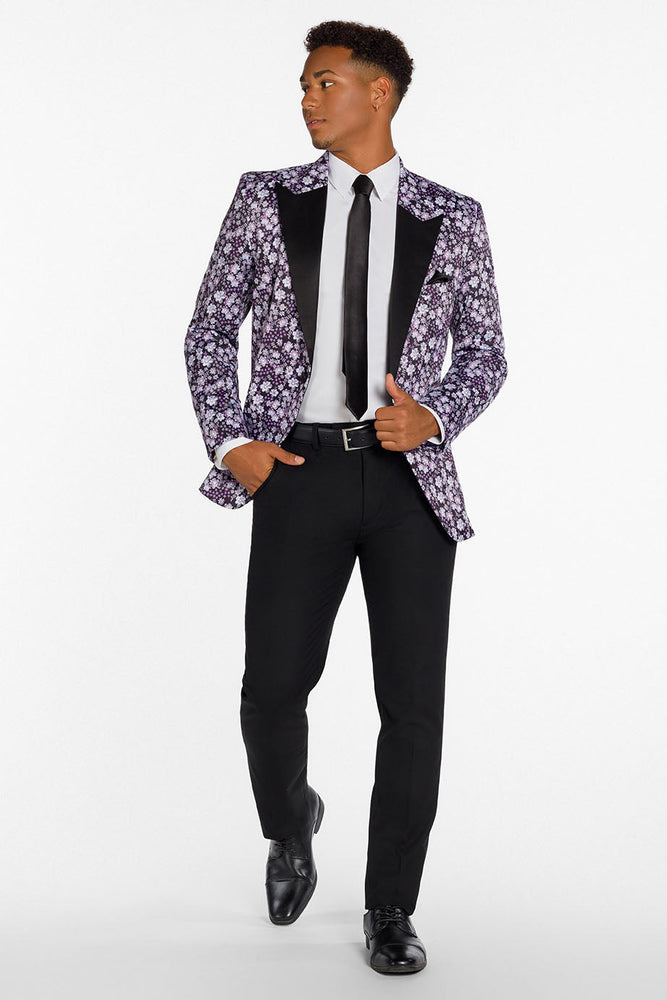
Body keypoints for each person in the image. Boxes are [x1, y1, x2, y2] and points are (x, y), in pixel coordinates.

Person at [184, 19, 507, 976]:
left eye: (324, 82)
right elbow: (211, 328)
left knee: (411, 707)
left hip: (408, 484)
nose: (306, 99)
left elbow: (486, 352)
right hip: (297, 470)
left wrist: (433, 415)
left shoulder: (453, 215)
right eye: (303, 85)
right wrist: (232, 441)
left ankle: (389, 907)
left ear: (379, 92)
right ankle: (291, 824)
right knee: (272, 687)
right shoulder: (264, 198)